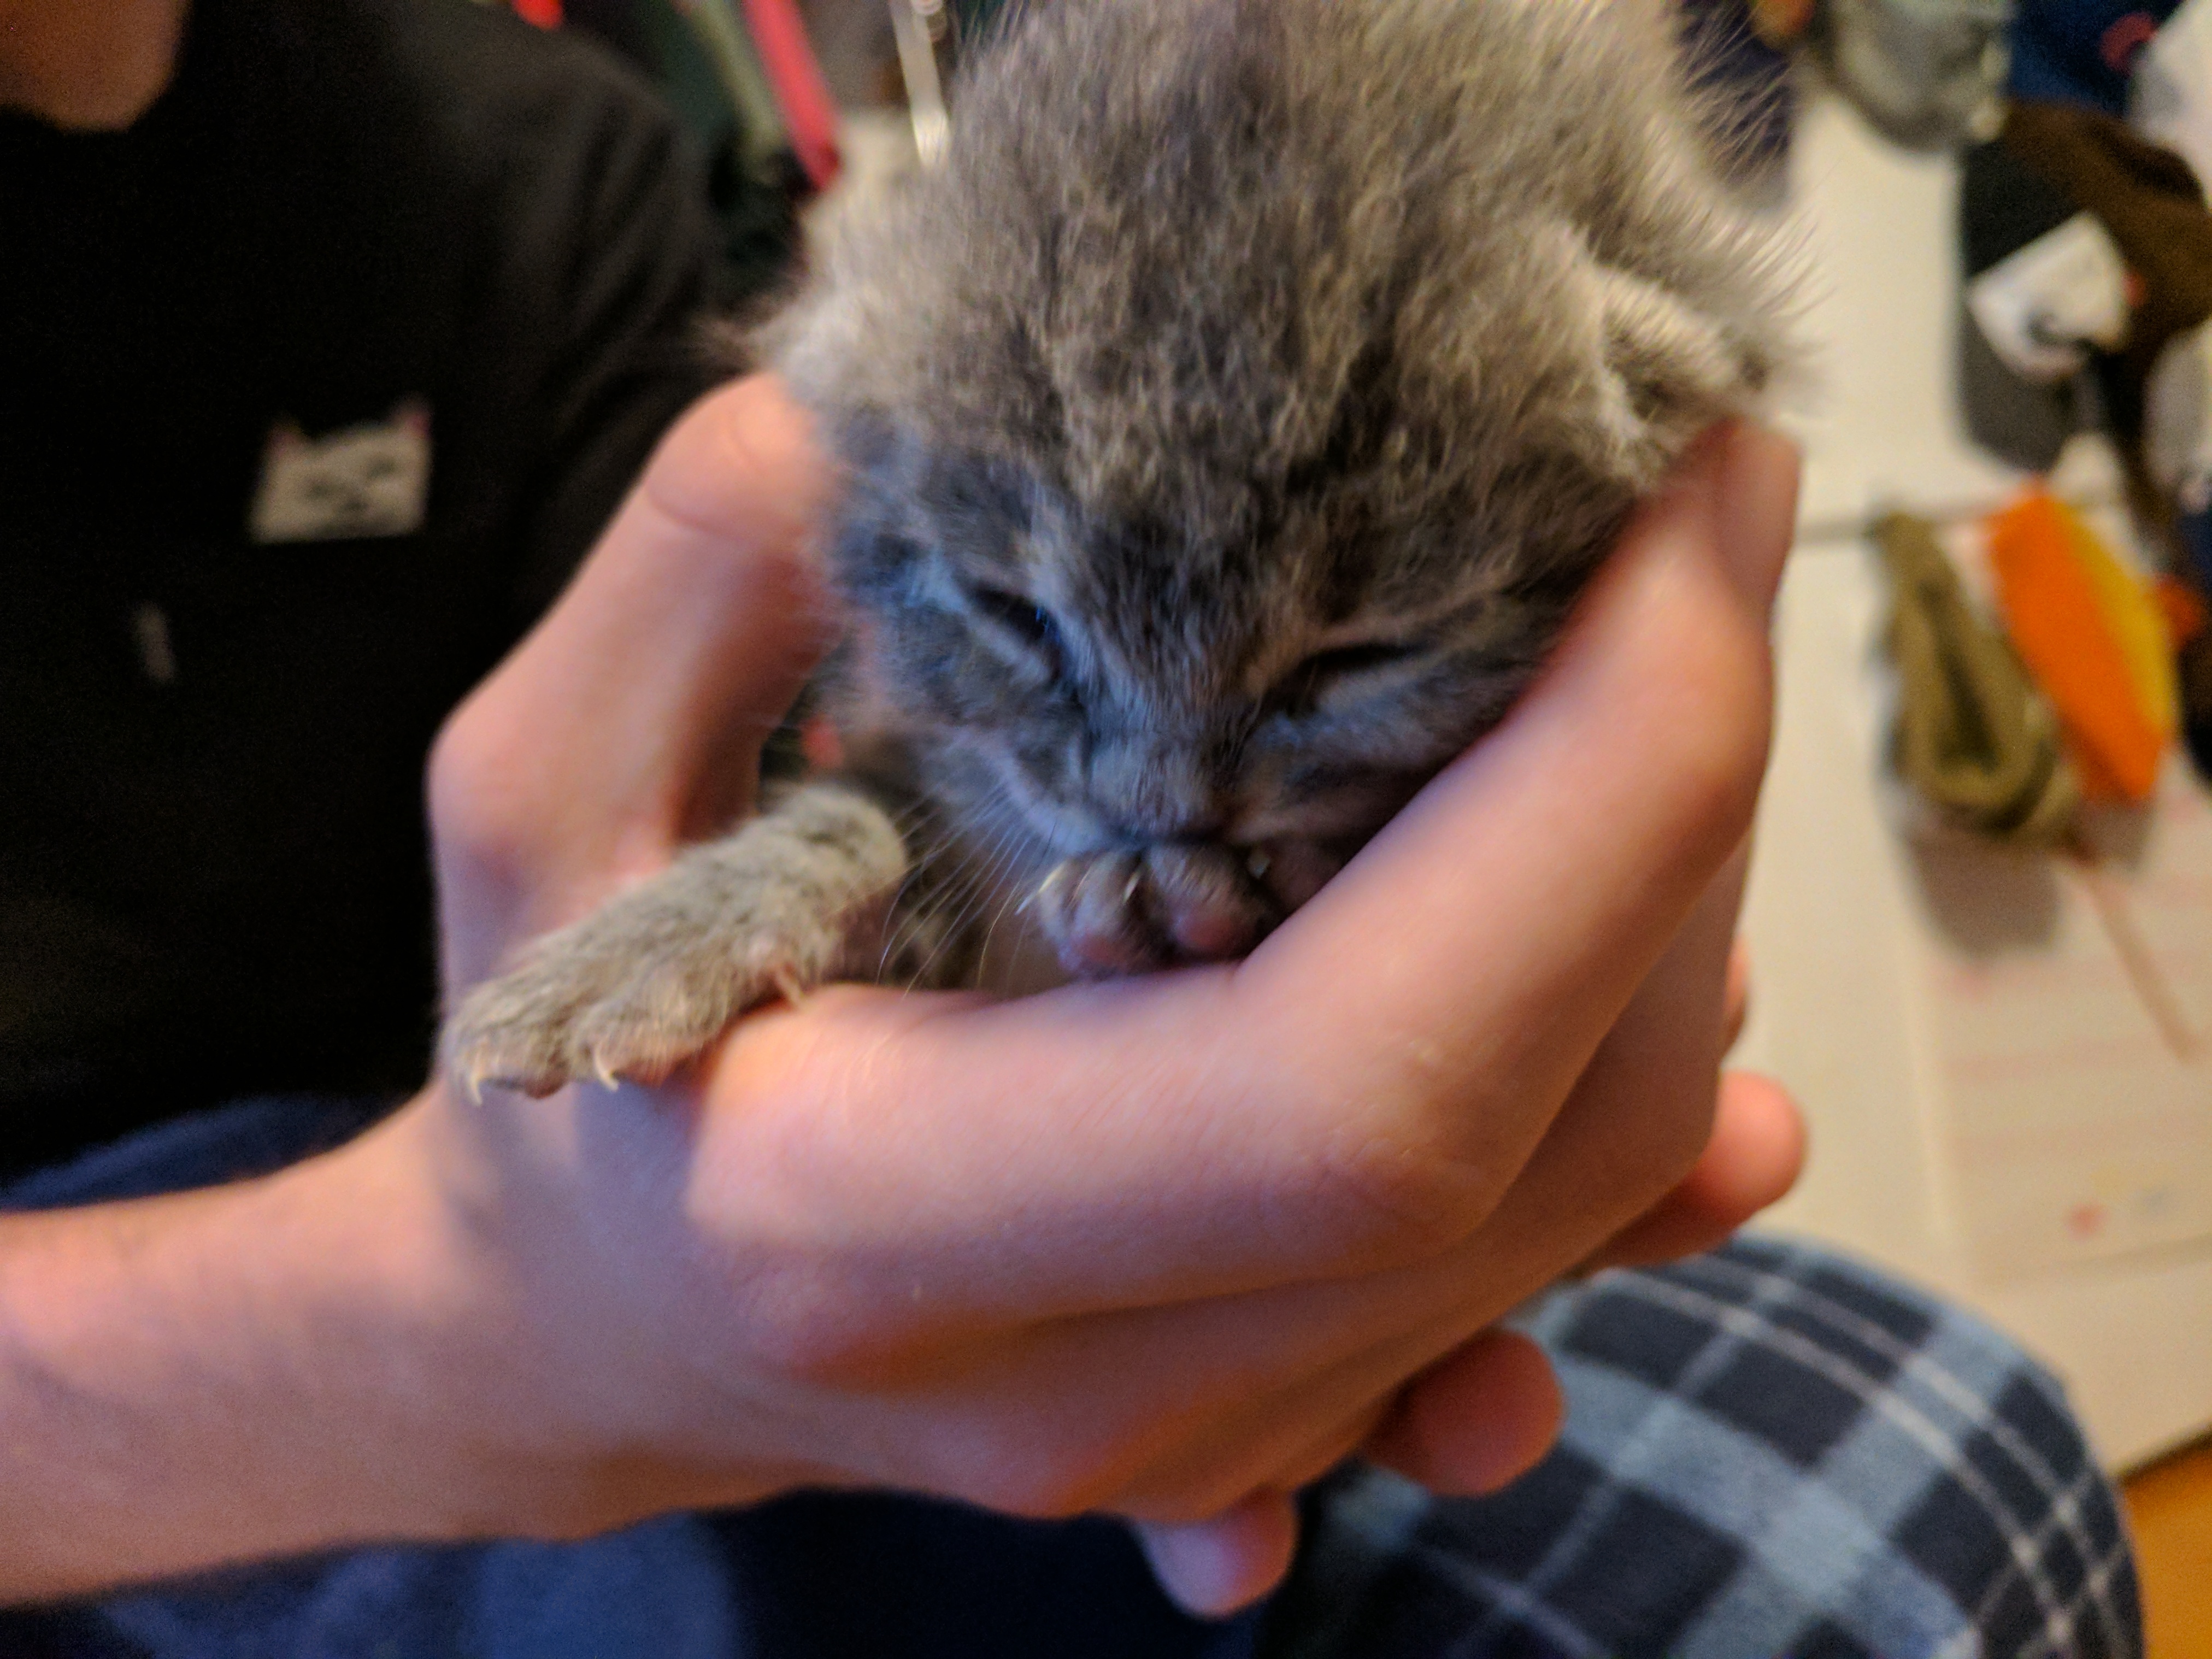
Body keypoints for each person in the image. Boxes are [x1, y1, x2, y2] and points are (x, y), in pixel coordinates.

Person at [1, 3, 2141, 1655]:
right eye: (1042, 629)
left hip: (748, 1227)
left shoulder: (537, 160)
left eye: (1334, 660)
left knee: (1951, 1496)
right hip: (239, 1384)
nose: (1157, 784)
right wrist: (468, 1323)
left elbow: (852, 764)